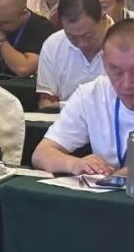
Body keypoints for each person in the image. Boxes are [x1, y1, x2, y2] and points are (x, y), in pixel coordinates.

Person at [32, 18, 134, 176]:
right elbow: (41, 154)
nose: (127, 84)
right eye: (117, 71)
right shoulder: (91, 95)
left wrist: (121, 175)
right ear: (105, 64)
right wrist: (75, 164)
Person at [36, 0, 110, 111]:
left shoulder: (125, 42)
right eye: (72, 37)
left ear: (103, 18)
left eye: (88, 36)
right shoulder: (53, 44)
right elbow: (46, 102)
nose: (81, 44)